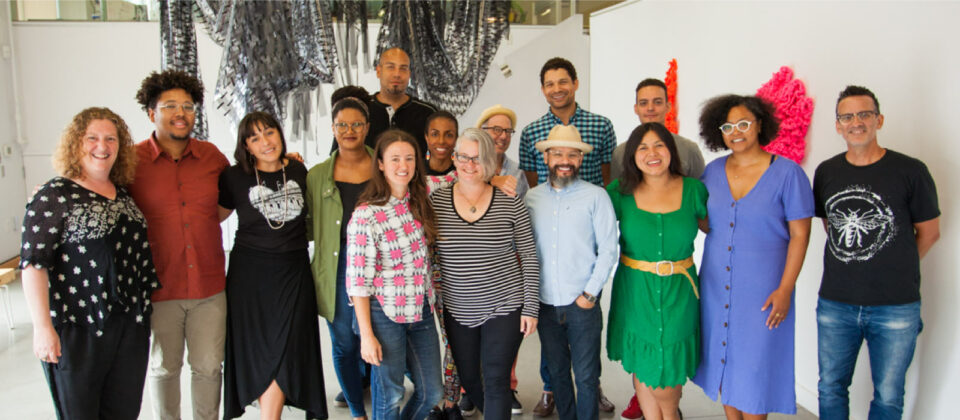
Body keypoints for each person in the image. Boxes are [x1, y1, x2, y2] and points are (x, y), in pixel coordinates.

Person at [21, 107, 160, 419]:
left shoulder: (122, 195)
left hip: (127, 326)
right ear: (75, 144)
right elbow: (33, 264)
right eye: (92, 138)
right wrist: (42, 327)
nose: (103, 146)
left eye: (111, 139)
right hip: (77, 328)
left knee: (123, 411)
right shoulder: (54, 195)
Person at [813, 86, 940, 420]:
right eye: (847, 116)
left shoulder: (911, 171)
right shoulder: (826, 172)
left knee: (888, 394)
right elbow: (831, 227)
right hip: (836, 303)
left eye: (864, 114)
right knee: (830, 387)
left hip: (896, 306)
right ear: (838, 125)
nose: (857, 122)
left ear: (879, 120)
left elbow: (929, 233)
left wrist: (893, 263)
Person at [692, 95, 814, 419]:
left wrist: (785, 289)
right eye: (728, 126)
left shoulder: (789, 174)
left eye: (744, 123)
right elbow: (705, 221)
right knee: (724, 363)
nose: (736, 132)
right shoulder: (712, 171)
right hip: (717, 287)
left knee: (755, 372)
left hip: (764, 290)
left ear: (760, 124)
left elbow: (801, 236)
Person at [131, 70, 230, 420]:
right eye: (170, 105)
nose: (181, 112)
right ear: (151, 112)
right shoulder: (130, 162)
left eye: (188, 106)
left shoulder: (212, 157)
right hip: (158, 288)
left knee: (208, 368)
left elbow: (232, 199)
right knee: (164, 369)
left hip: (208, 287)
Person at [218, 112, 327, 419]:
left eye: (269, 132)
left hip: (293, 271)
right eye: (254, 137)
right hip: (249, 277)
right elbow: (211, 216)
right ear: (246, 145)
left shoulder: (298, 169)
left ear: (280, 133)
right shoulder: (234, 177)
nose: (265, 142)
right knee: (262, 350)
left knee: (289, 347)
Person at [432, 128, 540, 420]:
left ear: (490, 162)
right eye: (464, 157)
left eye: (478, 159)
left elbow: (529, 255)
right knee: (470, 379)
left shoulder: (510, 201)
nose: (469, 165)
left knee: (496, 381)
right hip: (458, 309)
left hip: (504, 304)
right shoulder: (436, 202)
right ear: (454, 159)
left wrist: (530, 306)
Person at [614, 78, 707, 420]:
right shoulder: (618, 192)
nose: (652, 154)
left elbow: (726, 228)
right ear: (631, 156)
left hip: (679, 290)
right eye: (643, 149)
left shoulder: (695, 190)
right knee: (642, 362)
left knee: (667, 378)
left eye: (659, 147)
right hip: (635, 290)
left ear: (672, 149)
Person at [345, 129, 443, 420]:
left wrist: (496, 179)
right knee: (390, 396)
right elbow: (357, 281)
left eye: (410, 158)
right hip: (383, 313)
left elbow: (457, 178)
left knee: (432, 393)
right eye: (395, 159)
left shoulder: (419, 200)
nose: (403, 165)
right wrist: (366, 336)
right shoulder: (367, 215)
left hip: (420, 311)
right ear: (381, 164)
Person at [525, 125, 618, 420]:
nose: (565, 160)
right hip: (546, 304)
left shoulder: (596, 197)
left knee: (587, 376)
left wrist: (589, 294)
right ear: (546, 158)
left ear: (580, 159)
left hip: (583, 303)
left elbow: (609, 249)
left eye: (572, 154)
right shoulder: (531, 199)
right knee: (558, 373)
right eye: (558, 153)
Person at [308, 89, 375, 420]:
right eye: (342, 125)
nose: (349, 131)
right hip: (335, 265)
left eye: (356, 124)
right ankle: (355, 410)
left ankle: (381, 403)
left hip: (379, 266)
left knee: (376, 338)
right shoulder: (317, 174)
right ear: (333, 128)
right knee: (345, 344)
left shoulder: (383, 165)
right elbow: (306, 224)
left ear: (366, 127)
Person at [519, 57, 616, 188]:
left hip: (590, 206)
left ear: (575, 84)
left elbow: (609, 178)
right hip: (548, 207)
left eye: (563, 82)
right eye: (550, 84)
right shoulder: (530, 133)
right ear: (543, 90)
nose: (557, 89)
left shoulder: (601, 126)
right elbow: (532, 184)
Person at [329, 47, 436, 156]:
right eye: (390, 67)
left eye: (403, 68)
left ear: (409, 74)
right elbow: (336, 157)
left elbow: (438, 158)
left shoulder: (427, 113)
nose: (397, 74)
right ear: (379, 71)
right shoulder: (359, 109)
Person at [611, 78, 705, 180]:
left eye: (657, 102)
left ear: (668, 107)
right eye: (643, 103)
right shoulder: (620, 153)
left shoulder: (689, 149)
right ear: (636, 109)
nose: (650, 108)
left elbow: (701, 191)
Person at [477, 104, 529, 200]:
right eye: (497, 130)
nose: (504, 136)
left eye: (508, 131)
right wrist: (492, 180)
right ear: (482, 132)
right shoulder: (468, 166)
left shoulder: (519, 172)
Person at [425, 111, 459, 177]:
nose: (441, 141)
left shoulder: (464, 172)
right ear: (427, 138)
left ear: (456, 139)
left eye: (449, 135)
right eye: (435, 134)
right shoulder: (415, 170)